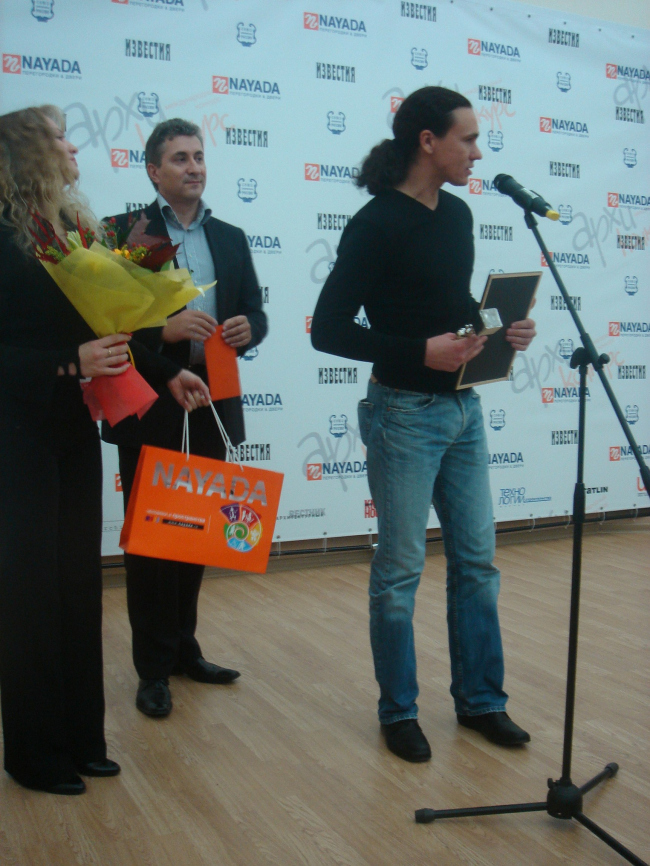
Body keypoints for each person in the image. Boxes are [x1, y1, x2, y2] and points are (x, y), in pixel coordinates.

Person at [311, 87, 536, 763]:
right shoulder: (376, 223)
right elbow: (328, 329)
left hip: (465, 409)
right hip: (403, 414)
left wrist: (497, 328)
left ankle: (482, 702)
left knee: (477, 562)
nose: (478, 153)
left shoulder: (458, 214)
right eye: (468, 139)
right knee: (401, 569)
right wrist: (418, 352)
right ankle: (399, 711)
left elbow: (450, 303)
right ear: (428, 142)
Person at [0, 106, 210, 794]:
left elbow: (111, 331)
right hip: (16, 435)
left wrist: (165, 372)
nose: (72, 146)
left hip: (70, 429)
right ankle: (34, 754)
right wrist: (69, 361)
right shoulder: (3, 236)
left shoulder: (67, 231)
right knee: (31, 596)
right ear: (28, 154)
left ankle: (81, 738)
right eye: (59, 137)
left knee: (77, 588)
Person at [102, 118, 267, 718]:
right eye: (179, 158)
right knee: (152, 540)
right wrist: (163, 332)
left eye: (198, 156)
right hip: (150, 400)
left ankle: (183, 649)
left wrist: (250, 329)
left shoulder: (230, 236)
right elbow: (107, 323)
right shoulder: (127, 233)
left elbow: (254, 312)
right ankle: (152, 667)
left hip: (212, 400)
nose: (193, 166)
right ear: (153, 170)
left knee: (197, 530)